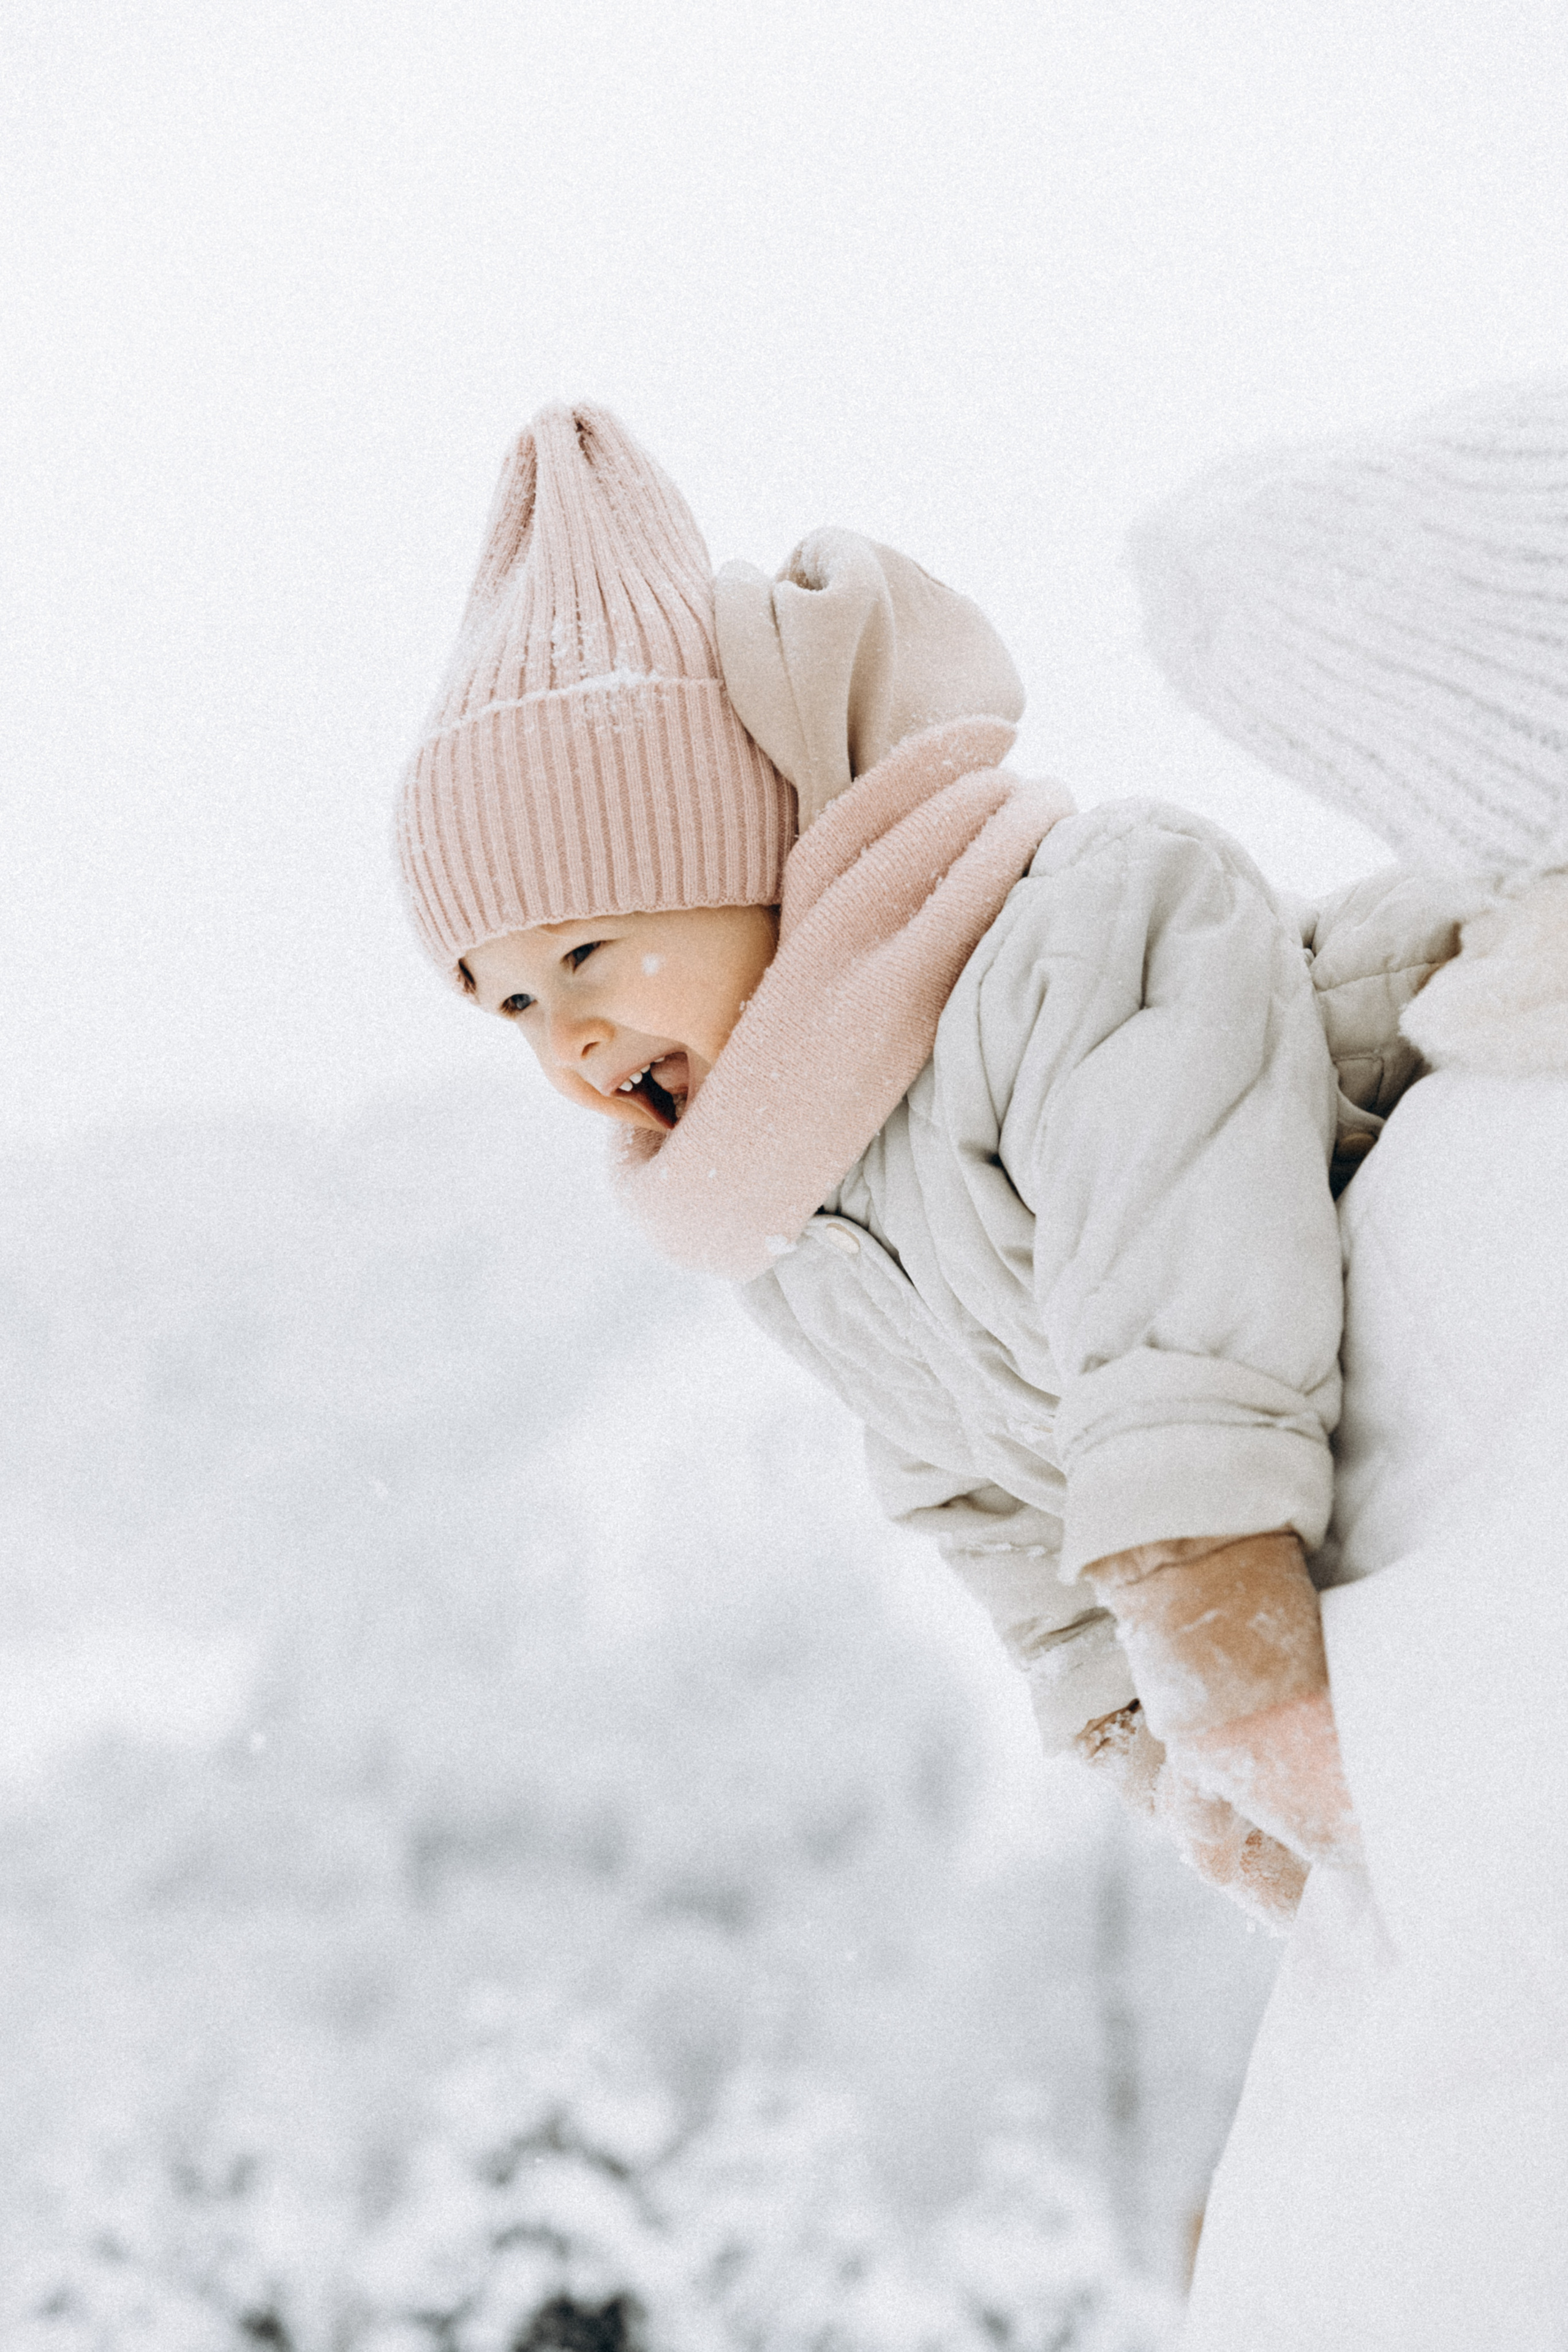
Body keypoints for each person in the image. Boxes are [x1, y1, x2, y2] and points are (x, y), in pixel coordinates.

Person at [394, 402, 1478, 1932]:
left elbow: (1170, 1234)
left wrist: (1198, 1578)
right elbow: (966, 1476)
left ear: (755, 863)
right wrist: (1127, 1718)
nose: (564, 1031)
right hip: (1377, 1504)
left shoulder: (1062, 940)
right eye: (507, 1001)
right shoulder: (806, 1218)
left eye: (587, 950)